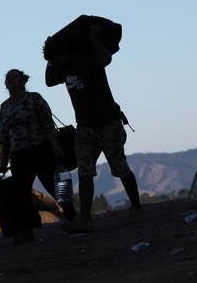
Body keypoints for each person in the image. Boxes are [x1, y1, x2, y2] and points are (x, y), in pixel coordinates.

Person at [46, 24, 141, 233]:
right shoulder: (64, 68)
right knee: (85, 172)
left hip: (108, 122)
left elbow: (106, 59)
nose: (57, 63)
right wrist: (50, 58)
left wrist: (94, 37)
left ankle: (136, 208)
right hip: (85, 126)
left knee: (120, 167)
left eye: (58, 58)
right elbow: (49, 81)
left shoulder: (86, 58)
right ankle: (85, 219)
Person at [0, 69, 77, 243]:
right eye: (8, 78)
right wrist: (3, 160)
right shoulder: (4, 107)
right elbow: (4, 136)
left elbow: (48, 125)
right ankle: (26, 231)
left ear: (23, 81)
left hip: (41, 149)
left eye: (14, 76)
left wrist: (56, 147)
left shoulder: (35, 99)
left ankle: (74, 218)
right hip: (19, 155)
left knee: (54, 186)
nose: (10, 80)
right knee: (21, 194)